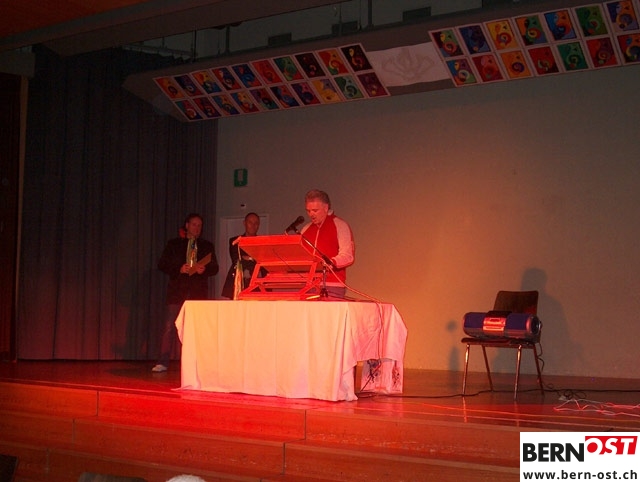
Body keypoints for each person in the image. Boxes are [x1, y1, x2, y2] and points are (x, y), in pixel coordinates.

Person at [153, 213, 219, 372]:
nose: (197, 228)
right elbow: (162, 264)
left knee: (198, 328)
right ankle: (163, 361)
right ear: (187, 225)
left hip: (198, 293)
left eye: (200, 225)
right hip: (177, 292)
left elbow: (215, 268)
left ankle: (197, 362)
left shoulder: (206, 245)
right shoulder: (174, 244)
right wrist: (179, 268)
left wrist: (204, 269)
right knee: (169, 326)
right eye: (194, 224)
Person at [300, 189, 354, 298]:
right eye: (308, 211)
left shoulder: (340, 225)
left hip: (332, 286)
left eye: (315, 210)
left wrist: (330, 262)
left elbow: (348, 256)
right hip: (308, 285)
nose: (311, 214)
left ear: (326, 207)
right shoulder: (306, 229)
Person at [221, 212, 262, 299]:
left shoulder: (261, 242)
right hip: (238, 281)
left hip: (256, 282)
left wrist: (247, 258)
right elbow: (236, 259)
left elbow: (262, 261)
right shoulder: (236, 241)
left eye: (256, 223)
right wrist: (253, 258)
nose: (253, 225)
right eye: (250, 222)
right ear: (244, 223)